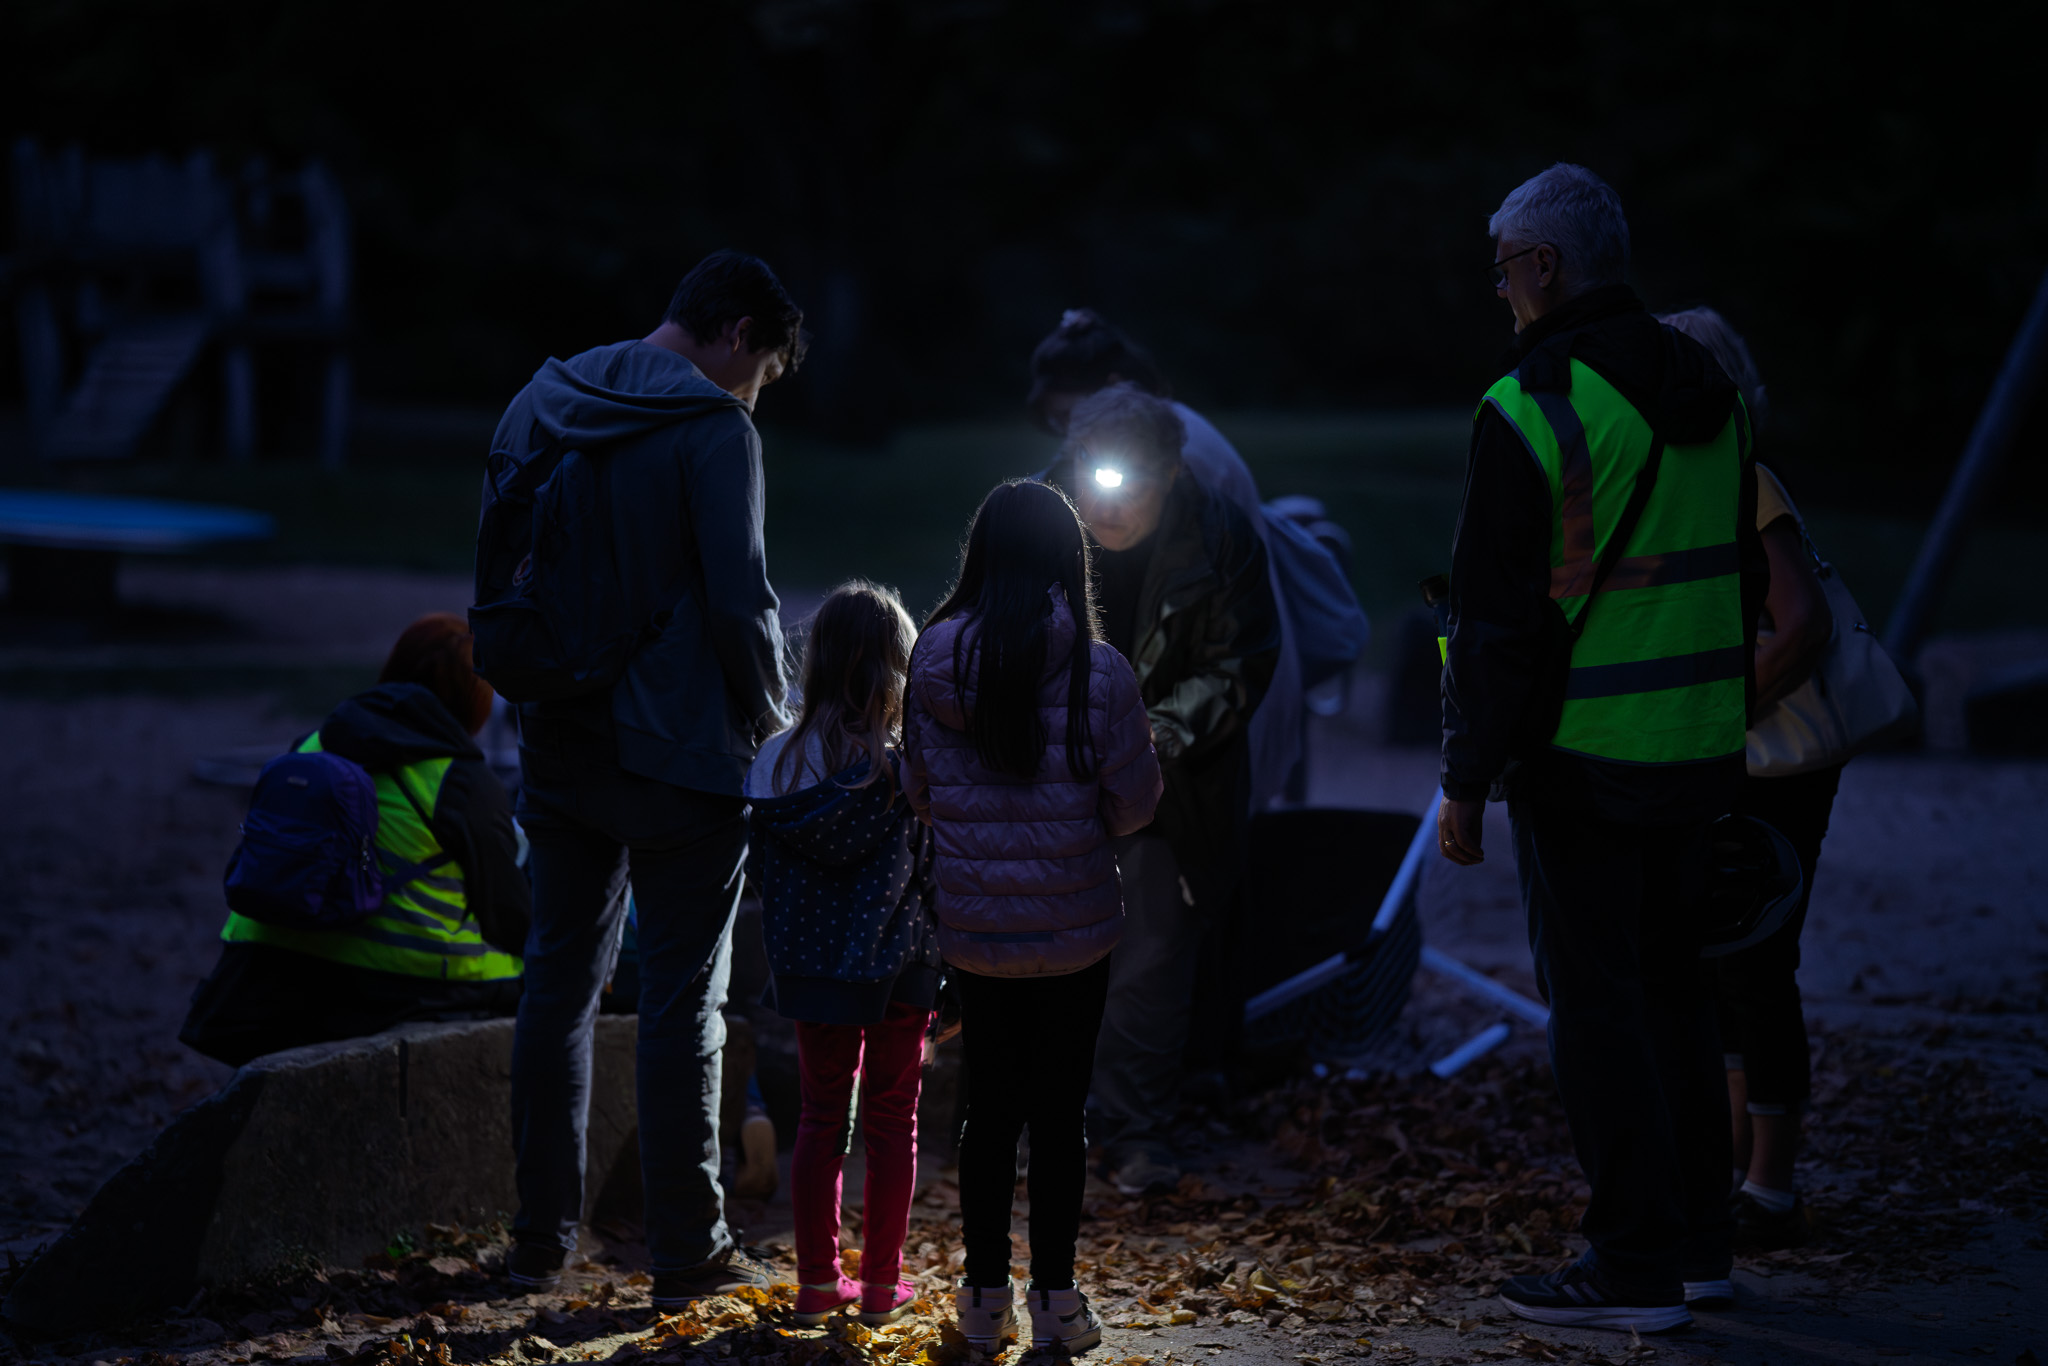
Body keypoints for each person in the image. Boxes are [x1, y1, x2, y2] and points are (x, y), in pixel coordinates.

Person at [1436, 165, 1767, 1333]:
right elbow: (1736, 571)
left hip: (1581, 760)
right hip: (1698, 750)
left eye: (1501, 270)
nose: (1498, 293)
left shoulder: (1530, 405)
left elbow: (1495, 620)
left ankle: (1628, 1262)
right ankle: (1697, 1246)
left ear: (1542, 267)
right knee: (1681, 998)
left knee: (1599, 1011)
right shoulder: (1712, 389)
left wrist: (1463, 780)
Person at [494, 251, 800, 1306]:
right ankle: (687, 1245)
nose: (751, 390)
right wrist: (775, 714)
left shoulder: (542, 398)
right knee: (684, 1001)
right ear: (738, 333)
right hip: (677, 757)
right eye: (758, 371)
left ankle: (537, 1237)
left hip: (559, 736)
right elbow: (737, 597)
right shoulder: (715, 428)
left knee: (555, 985)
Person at [901, 479, 1163, 1354]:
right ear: (1066, 559)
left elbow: (920, 794)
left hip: (977, 934)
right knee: (1060, 1116)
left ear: (981, 556)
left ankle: (981, 1301)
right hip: (1076, 931)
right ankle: (1057, 1300)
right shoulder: (1102, 671)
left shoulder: (932, 657)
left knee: (987, 1113)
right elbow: (1134, 808)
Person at [1046, 385, 1279, 1195]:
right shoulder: (1033, 522)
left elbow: (1242, 661)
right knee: (1044, 957)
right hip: (1050, 784)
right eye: (1095, 478)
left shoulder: (1219, 536)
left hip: (1170, 790)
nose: (1109, 505)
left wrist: (1150, 738)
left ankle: (1137, 1128)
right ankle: (1050, 1124)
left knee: (1148, 961)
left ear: (1174, 472)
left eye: (1133, 484)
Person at [1660, 307, 1840, 1251]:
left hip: (1779, 757)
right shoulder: (1714, 481)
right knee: (1727, 962)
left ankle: (1769, 1185)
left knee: (1758, 964)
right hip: (1758, 753)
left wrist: (1717, 714)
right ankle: (1737, 1170)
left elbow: (1799, 619)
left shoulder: (1744, 480)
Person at [1028, 310, 1348, 808]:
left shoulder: (1184, 464)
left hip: (1194, 743)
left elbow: (1221, 654)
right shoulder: (1091, 469)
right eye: (1061, 424)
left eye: (1070, 416)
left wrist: (1141, 738)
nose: (1069, 438)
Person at [182, 614, 528, 1066]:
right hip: (394, 986)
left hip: (256, 977)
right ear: (476, 703)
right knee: (563, 971)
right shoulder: (461, 783)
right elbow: (512, 921)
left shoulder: (310, 746)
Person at [744, 582, 939, 1329]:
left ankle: (818, 1283)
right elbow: (932, 871)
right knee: (896, 1121)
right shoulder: (906, 768)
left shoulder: (774, 763)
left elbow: (763, 873)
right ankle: (885, 1286)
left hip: (812, 970)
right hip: (902, 963)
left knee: (820, 1120)